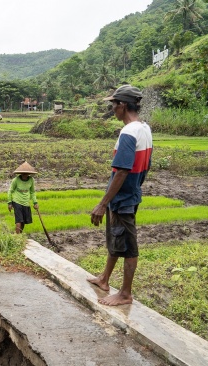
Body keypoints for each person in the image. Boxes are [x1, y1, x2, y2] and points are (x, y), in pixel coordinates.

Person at [87, 85, 153, 306]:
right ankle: (104, 278)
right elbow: (146, 165)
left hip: (123, 198)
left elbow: (122, 170)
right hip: (130, 193)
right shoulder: (144, 128)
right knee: (116, 237)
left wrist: (102, 203)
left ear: (123, 105)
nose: (112, 109)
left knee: (128, 244)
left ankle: (125, 293)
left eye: (113, 104)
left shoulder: (128, 132)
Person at [7, 161, 39, 234]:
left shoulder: (31, 180)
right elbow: (10, 191)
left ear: (29, 173)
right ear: (21, 173)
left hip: (26, 202)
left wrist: (35, 202)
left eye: (26, 173)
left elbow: (32, 192)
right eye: (23, 173)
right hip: (17, 202)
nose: (25, 175)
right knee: (18, 221)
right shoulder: (16, 180)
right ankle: (17, 238)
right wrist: (9, 202)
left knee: (24, 221)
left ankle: (19, 235)